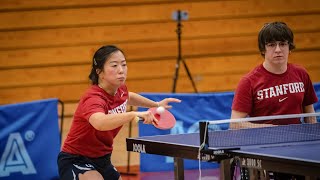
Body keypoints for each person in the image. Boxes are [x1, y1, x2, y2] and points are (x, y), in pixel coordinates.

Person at [57, 45, 181, 180]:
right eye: (114, 65)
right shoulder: (93, 99)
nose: (121, 70)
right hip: (76, 158)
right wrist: (133, 114)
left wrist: (156, 104)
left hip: (102, 158)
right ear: (99, 72)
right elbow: (100, 122)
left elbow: (129, 97)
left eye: (124, 64)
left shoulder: (120, 90)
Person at [230, 22, 318, 179]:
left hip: (298, 148)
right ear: (263, 49)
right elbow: (235, 123)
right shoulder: (249, 81)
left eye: (283, 44)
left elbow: (310, 114)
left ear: (289, 47)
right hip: (265, 150)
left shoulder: (301, 74)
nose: (278, 49)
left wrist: (313, 144)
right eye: (271, 45)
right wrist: (270, 130)